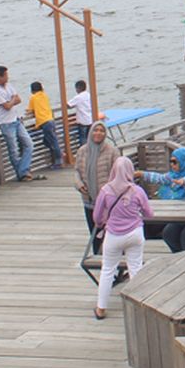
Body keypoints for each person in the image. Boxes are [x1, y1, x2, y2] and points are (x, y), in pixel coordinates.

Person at [92, 156, 153, 320]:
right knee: (135, 268)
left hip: (113, 234)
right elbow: (149, 213)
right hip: (135, 233)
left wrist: (102, 221)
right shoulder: (137, 191)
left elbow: (97, 217)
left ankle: (101, 308)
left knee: (107, 270)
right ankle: (139, 307)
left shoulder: (105, 190)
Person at [136, 147, 185, 253]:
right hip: (184, 217)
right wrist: (141, 174)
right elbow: (159, 178)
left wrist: (184, 181)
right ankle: (180, 257)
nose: (172, 165)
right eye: (171, 162)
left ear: (183, 161)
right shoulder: (173, 176)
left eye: (175, 162)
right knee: (168, 233)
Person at [74, 120, 119, 254]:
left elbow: (118, 174)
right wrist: (79, 184)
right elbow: (76, 170)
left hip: (107, 203)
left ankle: (114, 265)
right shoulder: (82, 151)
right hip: (88, 200)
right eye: (95, 130)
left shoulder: (112, 151)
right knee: (94, 235)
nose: (98, 133)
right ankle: (98, 263)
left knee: (109, 235)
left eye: (102, 131)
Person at [0, 65, 35, 182]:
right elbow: (7, 106)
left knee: (29, 144)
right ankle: (23, 173)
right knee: (13, 150)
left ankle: (22, 171)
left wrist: (12, 100)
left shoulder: (9, 86)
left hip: (17, 119)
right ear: (0, 77)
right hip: (6, 123)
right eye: (6, 75)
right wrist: (13, 99)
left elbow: (18, 99)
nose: (8, 77)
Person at [28, 81, 63, 170]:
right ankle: (59, 154)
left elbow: (30, 110)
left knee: (53, 142)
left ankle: (59, 161)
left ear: (32, 90)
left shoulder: (33, 97)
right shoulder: (45, 96)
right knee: (48, 141)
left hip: (44, 122)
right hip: (50, 120)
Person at [70, 80, 93, 146]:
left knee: (83, 139)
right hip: (90, 120)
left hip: (83, 121)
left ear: (78, 88)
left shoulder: (78, 97)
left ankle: (84, 153)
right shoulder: (89, 95)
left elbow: (68, 105)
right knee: (90, 138)